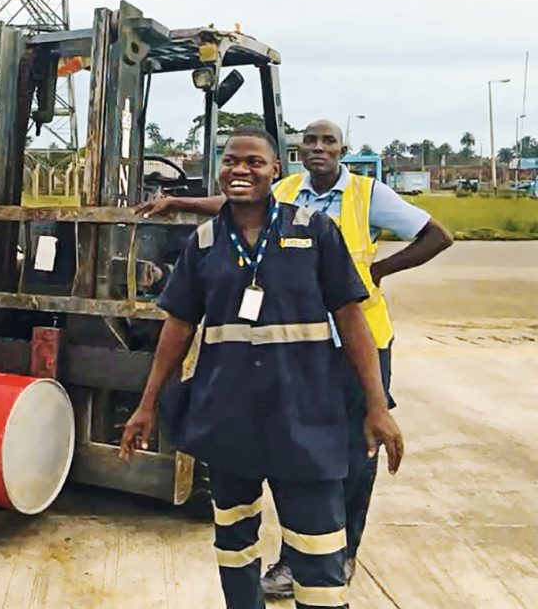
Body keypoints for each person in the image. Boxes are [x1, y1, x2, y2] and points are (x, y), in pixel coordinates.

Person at [136, 119, 452, 596]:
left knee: (321, 551)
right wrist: (147, 404)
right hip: (231, 417)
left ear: (274, 171)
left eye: (254, 162)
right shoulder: (203, 244)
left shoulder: (316, 230)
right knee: (235, 543)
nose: (241, 170)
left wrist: (377, 404)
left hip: (303, 413)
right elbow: (177, 328)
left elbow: (351, 317)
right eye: (231, 161)